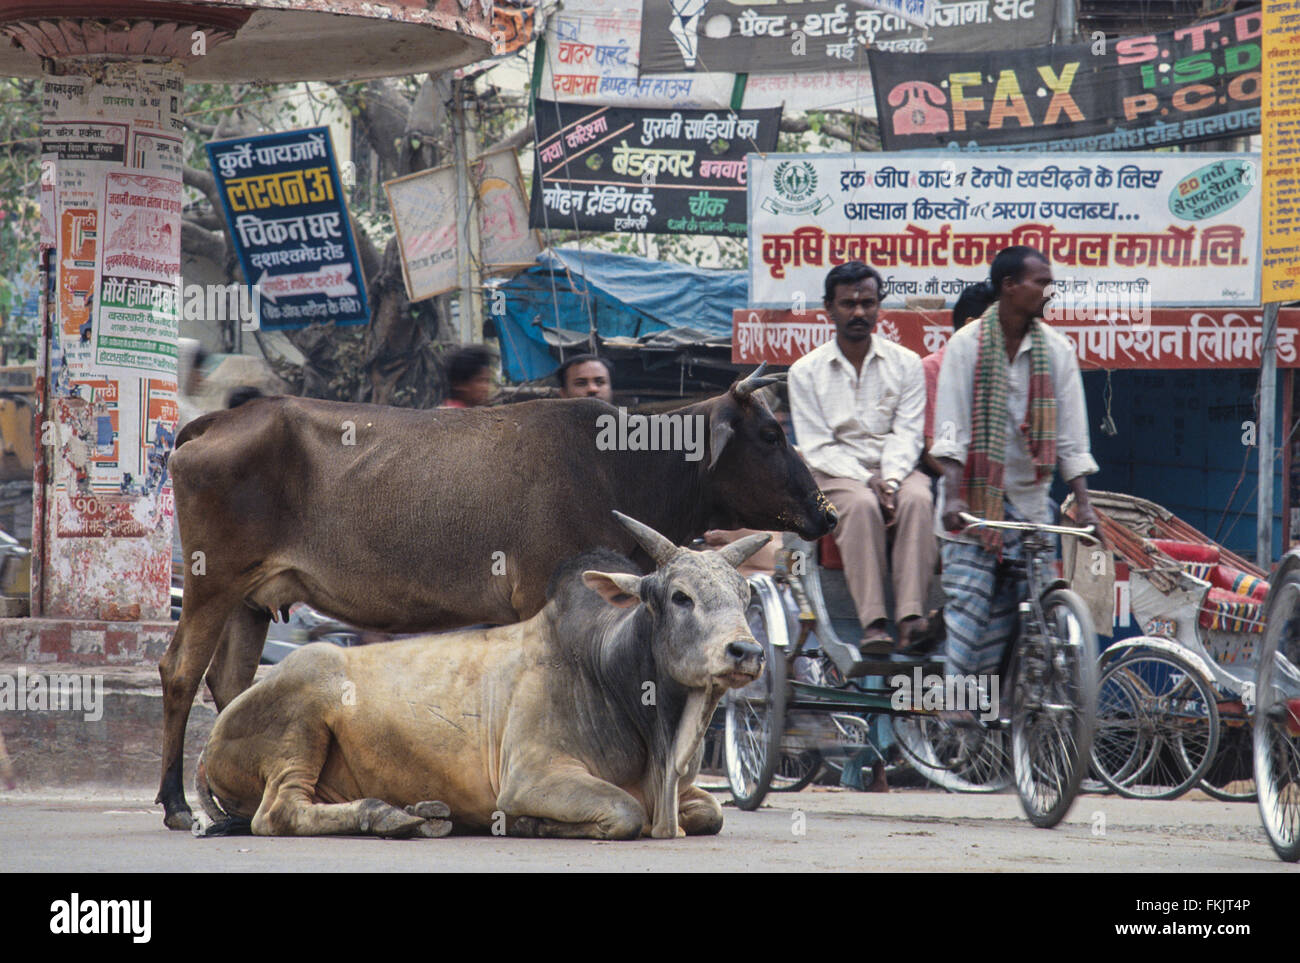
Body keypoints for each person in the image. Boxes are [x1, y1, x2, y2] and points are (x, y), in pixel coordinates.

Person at [930, 246, 1103, 696]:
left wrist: (1084, 505)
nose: (1049, 290)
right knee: (970, 605)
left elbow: (1071, 438)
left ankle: (1029, 713)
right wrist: (952, 497)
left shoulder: (1058, 350)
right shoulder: (965, 346)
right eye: (1041, 282)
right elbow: (950, 429)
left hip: (1029, 502)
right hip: (972, 502)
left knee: (1043, 612)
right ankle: (954, 703)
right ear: (1010, 287)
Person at [788, 261, 934, 656]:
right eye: (848, 303)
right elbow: (818, 447)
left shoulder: (906, 364)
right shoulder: (805, 371)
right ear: (828, 309)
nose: (859, 312)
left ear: (878, 307)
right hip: (835, 473)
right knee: (862, 505)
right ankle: (873, 625)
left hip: (896, 467)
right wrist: (868, 481)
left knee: (920, 498)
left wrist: (889, 479)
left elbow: (907, 434)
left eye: (867, 303)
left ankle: (911, 620)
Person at [921, 283, 996, 476]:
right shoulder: (931, 368)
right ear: (970, 325)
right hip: (945, 476)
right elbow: (930, 448)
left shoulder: (1002, 368)